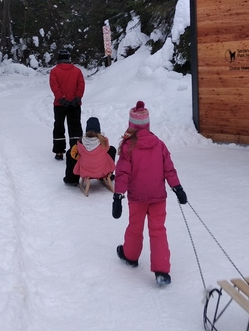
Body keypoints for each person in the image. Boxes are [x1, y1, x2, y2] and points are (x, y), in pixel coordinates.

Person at [112, 101, 188, 286]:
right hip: (157, 198)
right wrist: (177, 188)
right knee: (158, 231)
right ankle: (162, 271)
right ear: (147, 124)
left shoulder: (128, 147)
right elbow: (169, 169)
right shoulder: (159, 144)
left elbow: (122, 174)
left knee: (135, 227)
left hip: (137, 198)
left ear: (132, 126)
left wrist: (118, 196)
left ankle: (130, 256)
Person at [49, 49, 85, 160]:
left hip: (60, 105)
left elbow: (54, 86)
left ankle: (59, 152)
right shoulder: (77, 71)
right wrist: (77, 98)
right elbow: (81, 85)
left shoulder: (54, 72)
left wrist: (61, 99)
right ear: (69, 58)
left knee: (59, 126)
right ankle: (76, 151)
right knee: (75, 127)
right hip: (75, 104)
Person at [64, 117, 116, 186]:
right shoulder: (104, 141)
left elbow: (75, 153)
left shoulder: (81, 142)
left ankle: (71, 179)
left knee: (70, 153)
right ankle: (108, 175)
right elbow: (107, 150)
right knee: (111, 150)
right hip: (102, 170)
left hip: (85, 171)